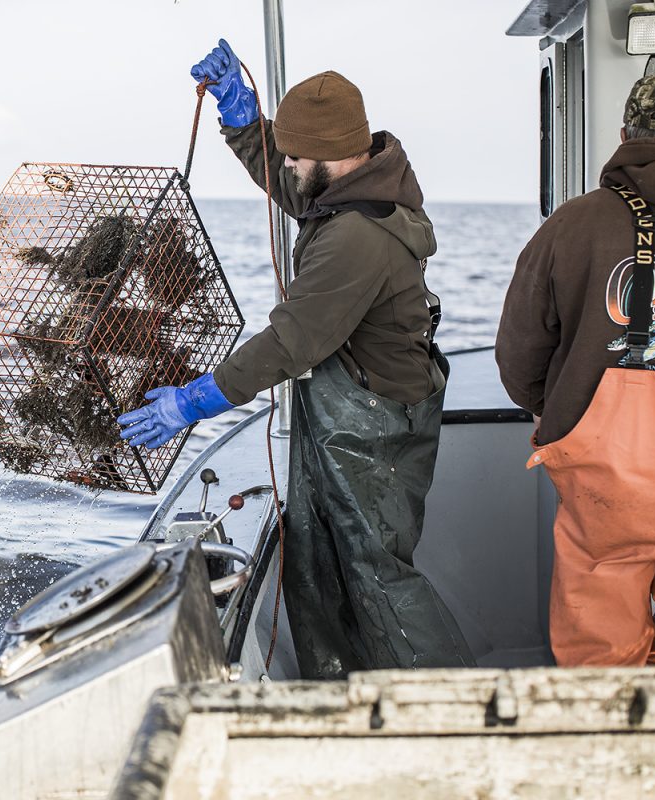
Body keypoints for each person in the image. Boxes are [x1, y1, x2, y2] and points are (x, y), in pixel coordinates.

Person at [117, 39, 474, 678]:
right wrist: (241, 117)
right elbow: (288, 179)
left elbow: (290, 342)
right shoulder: (346, 185)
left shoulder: (357, 236)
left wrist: (196, 400)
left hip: (374, 431)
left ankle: (453, 708)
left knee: (375, 576)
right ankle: (338, 697)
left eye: (296, 153)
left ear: (334, 156)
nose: (287, 163)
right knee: (313, 559)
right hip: (343, 415)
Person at [497, 72, 655, 675]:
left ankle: (610, 753)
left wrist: (553, 410)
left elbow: (519, 350)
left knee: (601, 658)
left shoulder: (572, 225)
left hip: (608, 481)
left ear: (624, 135)